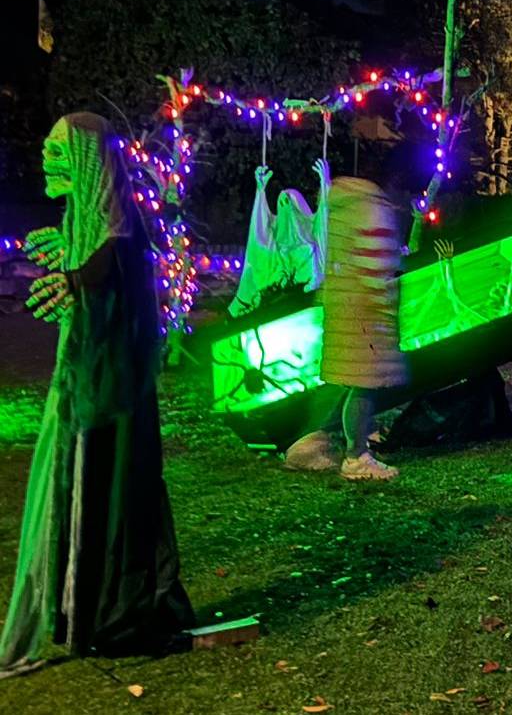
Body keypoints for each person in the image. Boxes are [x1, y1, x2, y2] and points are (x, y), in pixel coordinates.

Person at [2, 112, 194, 676]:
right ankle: (76, 612)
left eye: (60, 153)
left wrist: (76, 284)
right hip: (87, 392)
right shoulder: (89, 226)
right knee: (79, 497)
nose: (46, 162)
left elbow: (110, 293)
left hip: (107, 399)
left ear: (87, 163)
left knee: (104, 498)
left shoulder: (117, 234)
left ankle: (105, 613)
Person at [320, 177, 407, 482]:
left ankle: (343, 445)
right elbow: (377, 267)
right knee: (364, 385)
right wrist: (387, 306)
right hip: (365, 315)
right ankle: (356, 456)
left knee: (353, 384)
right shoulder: (371, 209)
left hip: (345, 309)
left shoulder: (340, 209)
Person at [227, 159, 329, 316]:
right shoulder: (271, 253)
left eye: (291, 203)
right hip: (274, 311)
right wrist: (260, 192)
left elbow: (323, 225)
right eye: (282, 203)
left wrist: (325, 185)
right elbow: (258, 235)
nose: (287, 208)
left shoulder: (311, 246)